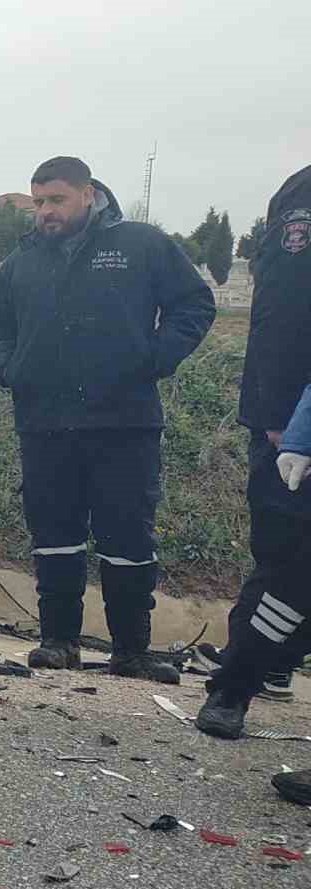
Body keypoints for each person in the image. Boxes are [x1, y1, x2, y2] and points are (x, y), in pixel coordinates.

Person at [0, 156, 215, 683]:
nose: (45, 211)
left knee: (127, 538)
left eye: (56, 200)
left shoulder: (140, 244)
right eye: (38, 201)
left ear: (88, 194)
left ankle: (131, 651)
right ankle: (58, 642)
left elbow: (194, 304)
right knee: (54, 535)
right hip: (44, 423)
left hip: (124, 422)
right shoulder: (22, 261)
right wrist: (11, 369)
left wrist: (153, 359)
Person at [196, 167, 311, 812]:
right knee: (285, 567)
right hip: (285, 424)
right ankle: (238, 684)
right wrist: (281, 419)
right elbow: (278, 311)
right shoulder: (298, 194)